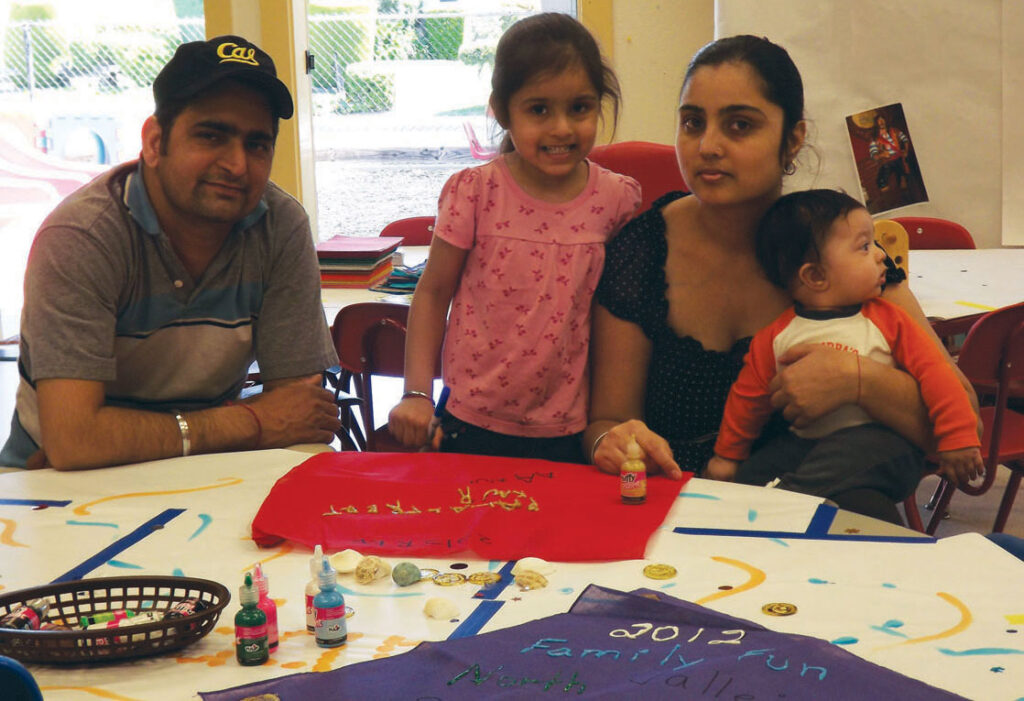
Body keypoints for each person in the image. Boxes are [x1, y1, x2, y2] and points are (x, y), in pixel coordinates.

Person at [585, 35, 979, 523]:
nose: (707, 146)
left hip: (818, 522)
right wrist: (612, 440)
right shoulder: (641, 249)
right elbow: (604, 420)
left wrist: (860, 381)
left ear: (793, 139)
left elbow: (959, 419)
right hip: (673, 521)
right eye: (692, 123)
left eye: (739, 125)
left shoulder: (843, 250)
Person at [0, 35, 341, 470]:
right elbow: (74, 443)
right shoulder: (83, 236)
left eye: (257, 144)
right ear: (155, 142)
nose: (237, 165)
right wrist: (252, 420)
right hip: (55, 486)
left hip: (208, 470)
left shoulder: (280, 225)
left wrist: (120, 435)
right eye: (212, 135)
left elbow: (298, 413)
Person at [387, 13, 640, 461]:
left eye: (579, 107)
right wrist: (417, 394)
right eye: (539, 109)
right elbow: (432, 293)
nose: (561, 128)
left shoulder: (616, 199)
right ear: (503, 111)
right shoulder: (475, 192)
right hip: (469, 421)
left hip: (569, 430)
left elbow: (621, 317)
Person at [705, 189, 983, 505]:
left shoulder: (890, 320)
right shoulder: (777, 335)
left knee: (852, 454)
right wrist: (727, 455)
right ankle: (755, 504)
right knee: (750, 476)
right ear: (816, 276)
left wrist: (957, 438)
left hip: (886, 443)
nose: (881, 254)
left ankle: (786, 503)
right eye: (864, 247)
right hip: (807, 443)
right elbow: (748, 399)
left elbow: (937, 377)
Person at [869, 114, 910, 191]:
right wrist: (882, 155)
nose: (881, 122)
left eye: (882, 120)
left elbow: (905, 139)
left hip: (899, 158)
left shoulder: (894, 131)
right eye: (879, 121)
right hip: (887, 161)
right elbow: (873, 154)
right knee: (882, 182)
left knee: (904, 180)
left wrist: (906, 151)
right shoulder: (875, 138)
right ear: (876, 123)